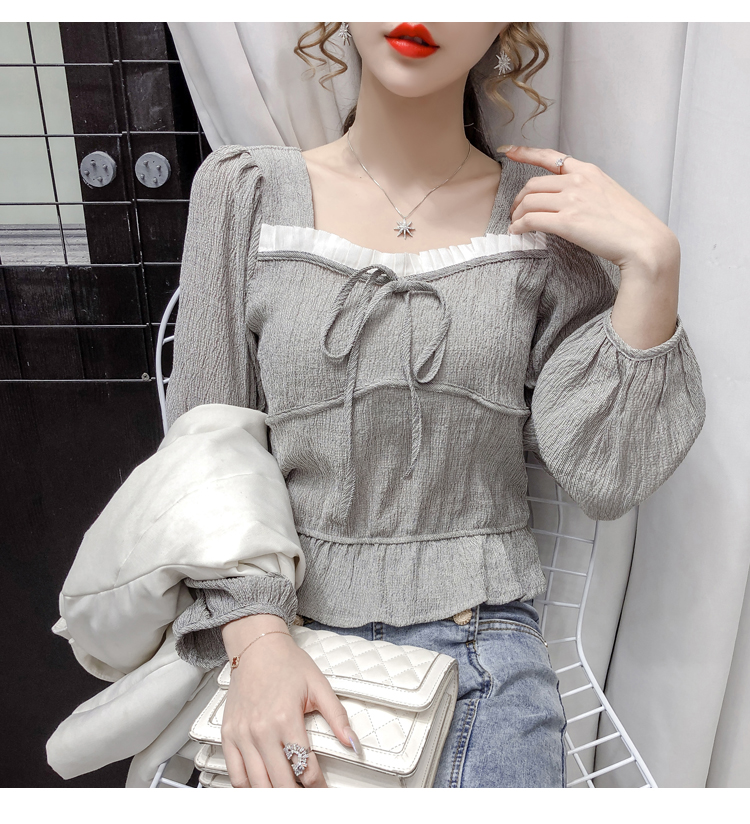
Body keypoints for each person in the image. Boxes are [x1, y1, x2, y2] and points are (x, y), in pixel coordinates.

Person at [164, 22, 706, 788]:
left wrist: (654, 265)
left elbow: (606, 478)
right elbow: (203, 452)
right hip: (282, 636)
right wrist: (257, 644)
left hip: (485, 651)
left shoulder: (539, 223)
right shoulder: (245, 191)